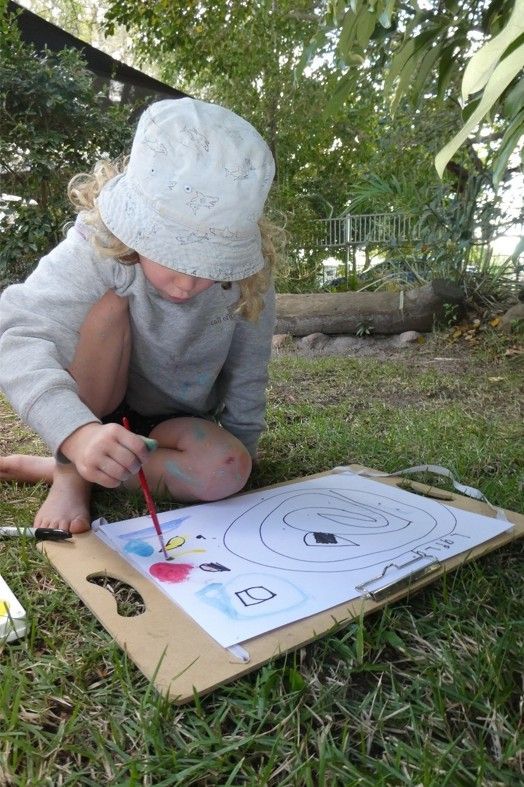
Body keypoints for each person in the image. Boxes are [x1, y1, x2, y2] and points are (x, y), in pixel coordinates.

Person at [0, 97, 278, 534]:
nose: (187, 284)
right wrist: (78, 435)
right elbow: (16, 333)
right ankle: (71, 470)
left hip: (171, 427)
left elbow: (249, 367)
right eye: (174, 255)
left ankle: (93, 468)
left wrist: (243, 455)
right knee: (108, 302)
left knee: (226, 469)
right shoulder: (97, 247)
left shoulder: (249, 277)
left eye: (209, 266)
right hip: (97, 405)